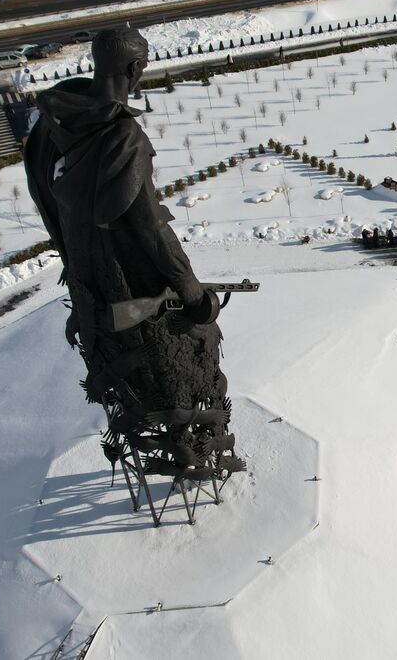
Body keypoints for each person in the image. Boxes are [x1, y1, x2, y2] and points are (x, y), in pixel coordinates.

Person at [23, 26, 241, 479]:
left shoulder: (50, 128)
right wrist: (194, 292)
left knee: (137, 380)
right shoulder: (121, 137)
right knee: (197, 344)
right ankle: (193, 451)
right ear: (134, 69)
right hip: (133, 305)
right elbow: (151, 229)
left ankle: (160, 447)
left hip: (92, 302)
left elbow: (49, 210)